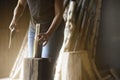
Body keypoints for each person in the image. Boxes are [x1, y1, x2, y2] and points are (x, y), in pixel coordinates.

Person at [9, 0, 65, 79]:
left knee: (46, 68)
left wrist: (48, 34)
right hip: (34, 29)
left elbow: (59, 14)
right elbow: (20, 5)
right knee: (33, 65)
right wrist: (15, 19)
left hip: (53, 30)